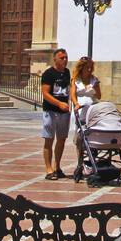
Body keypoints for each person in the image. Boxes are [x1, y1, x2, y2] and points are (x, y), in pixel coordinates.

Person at [40, 49, 73, 179]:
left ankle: (57, 166)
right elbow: (45, 94)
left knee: (62, 139)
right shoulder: (48, 74)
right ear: (55, 59)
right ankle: (49, 170)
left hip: (64, 112)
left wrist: (70, 103)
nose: (65, 60)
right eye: (62, 58)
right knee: (49, 139)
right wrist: (59, 104)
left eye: (66, 57)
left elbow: (68, 90)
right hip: (51, 111)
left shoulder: (67, 72)